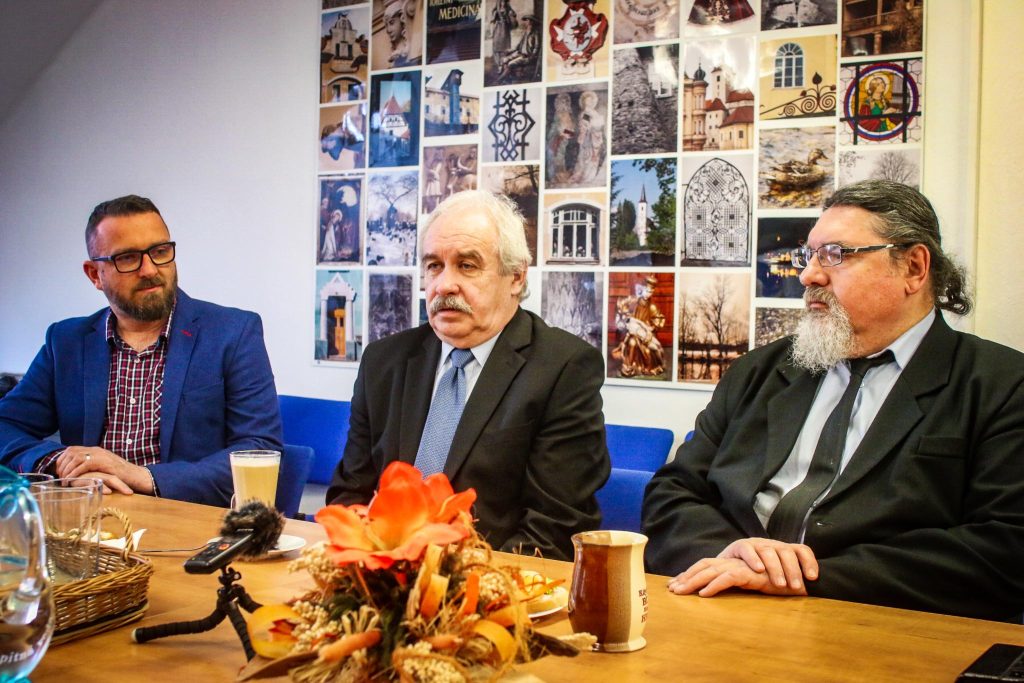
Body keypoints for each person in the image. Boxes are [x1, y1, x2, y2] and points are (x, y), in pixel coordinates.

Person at [642, 180, 1024, 621]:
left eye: (835, 255)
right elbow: (671, 494)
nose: (809, 276)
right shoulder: (759, 371)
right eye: (809, 256)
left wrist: (809, 577)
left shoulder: (1000, 386)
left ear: (914, 268)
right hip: (723, 607)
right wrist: (732, 555)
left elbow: (1005, 548)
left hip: (875, 623)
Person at [327, 189, 609, 560]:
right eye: (434, 266)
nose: (444, 284)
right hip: (383, 578)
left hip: (492, 577)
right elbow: (350, 494)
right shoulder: (384, 362)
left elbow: (554, 527)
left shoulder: (564, 368)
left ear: (516, 277)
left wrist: (454, 581)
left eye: (467, 265)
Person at [0, 195, 282, 507]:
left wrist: (143, 476)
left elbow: (259, 450)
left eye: (160, 252)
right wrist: (60, 462)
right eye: (128, 258)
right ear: (94, 274)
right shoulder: (67, 341)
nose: (149, 269)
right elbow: (5, 426)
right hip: (91, 517)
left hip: (186, 519)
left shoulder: (233, 333)